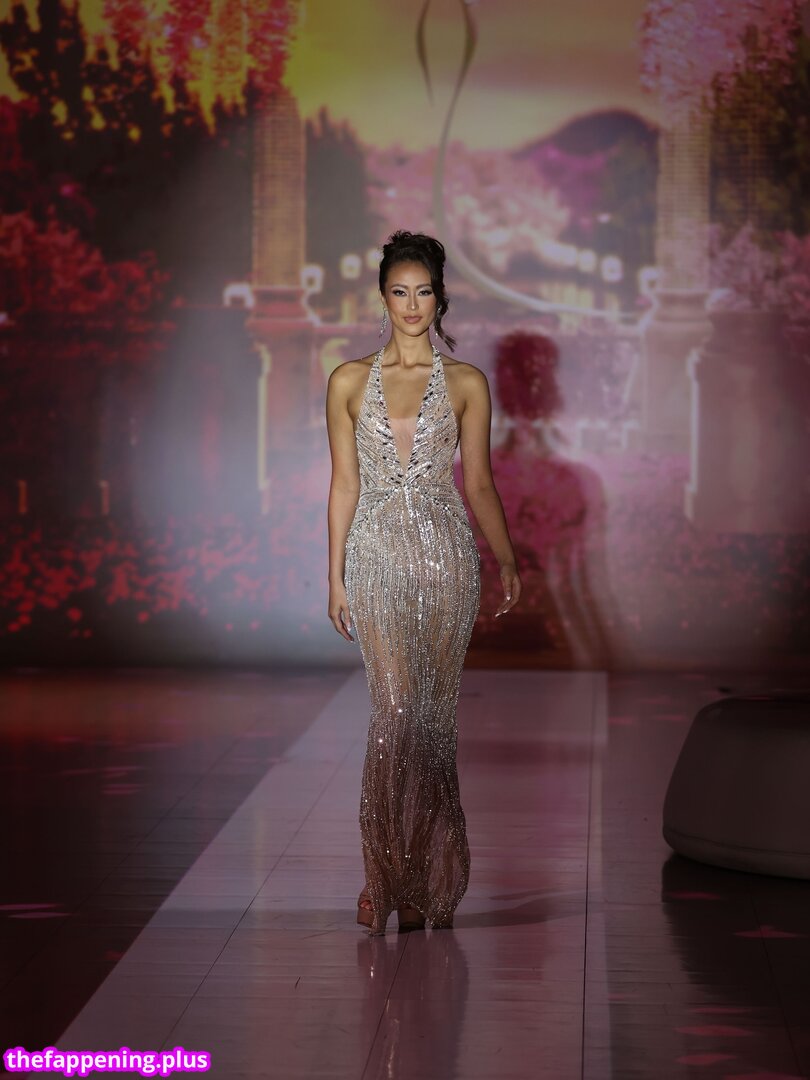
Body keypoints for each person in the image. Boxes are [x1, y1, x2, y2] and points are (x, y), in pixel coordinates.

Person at [325, 230, 521, 935]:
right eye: (399, 292)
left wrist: (506, 558)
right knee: (395, 717)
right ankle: (383, 877)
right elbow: (343, 485)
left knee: (433, 724)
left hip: (445, 561)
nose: (412, 304)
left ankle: (423, 880)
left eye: (424, 291)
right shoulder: (347, 381)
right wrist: (335, 577)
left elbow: (479, 483)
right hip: (375, 557)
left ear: (441, 298)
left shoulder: (467, 383)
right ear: (382, 298)